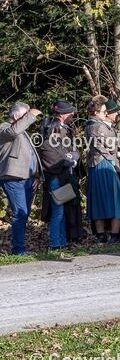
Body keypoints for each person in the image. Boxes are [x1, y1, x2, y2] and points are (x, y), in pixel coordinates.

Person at [38, 100, 85, 251]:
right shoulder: (48, 140)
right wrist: (70, 160)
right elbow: (56, 158)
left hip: (63, 177)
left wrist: (72, 158)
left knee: (63, 210)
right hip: (55, 178)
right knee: (57, 212)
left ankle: (62, 242)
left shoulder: (61, 135)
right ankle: (55, 243)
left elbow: (73, 151)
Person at [0, 102, 42, 255]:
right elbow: (13, 131)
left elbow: (30, 155)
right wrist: (31, 115)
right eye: (25, 114)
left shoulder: (21, 130)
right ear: (16, 115)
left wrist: (36, 175)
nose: (29, 118)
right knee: (20, 213)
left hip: (27, 178)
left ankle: (19, 247)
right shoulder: (4, 128)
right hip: (13, 178)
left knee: (24, 214)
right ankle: (18, 250)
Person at [85, 97, 120, 244]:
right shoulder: (97, 126)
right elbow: (109, 147)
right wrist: (117, 144)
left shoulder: (94, 125)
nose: (106, 113)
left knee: (100, 200)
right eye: (104, 111)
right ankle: (111, 235)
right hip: (103, 164)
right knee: (112, 200)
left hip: (100, 163)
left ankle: (102, 235)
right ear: (96, 113)